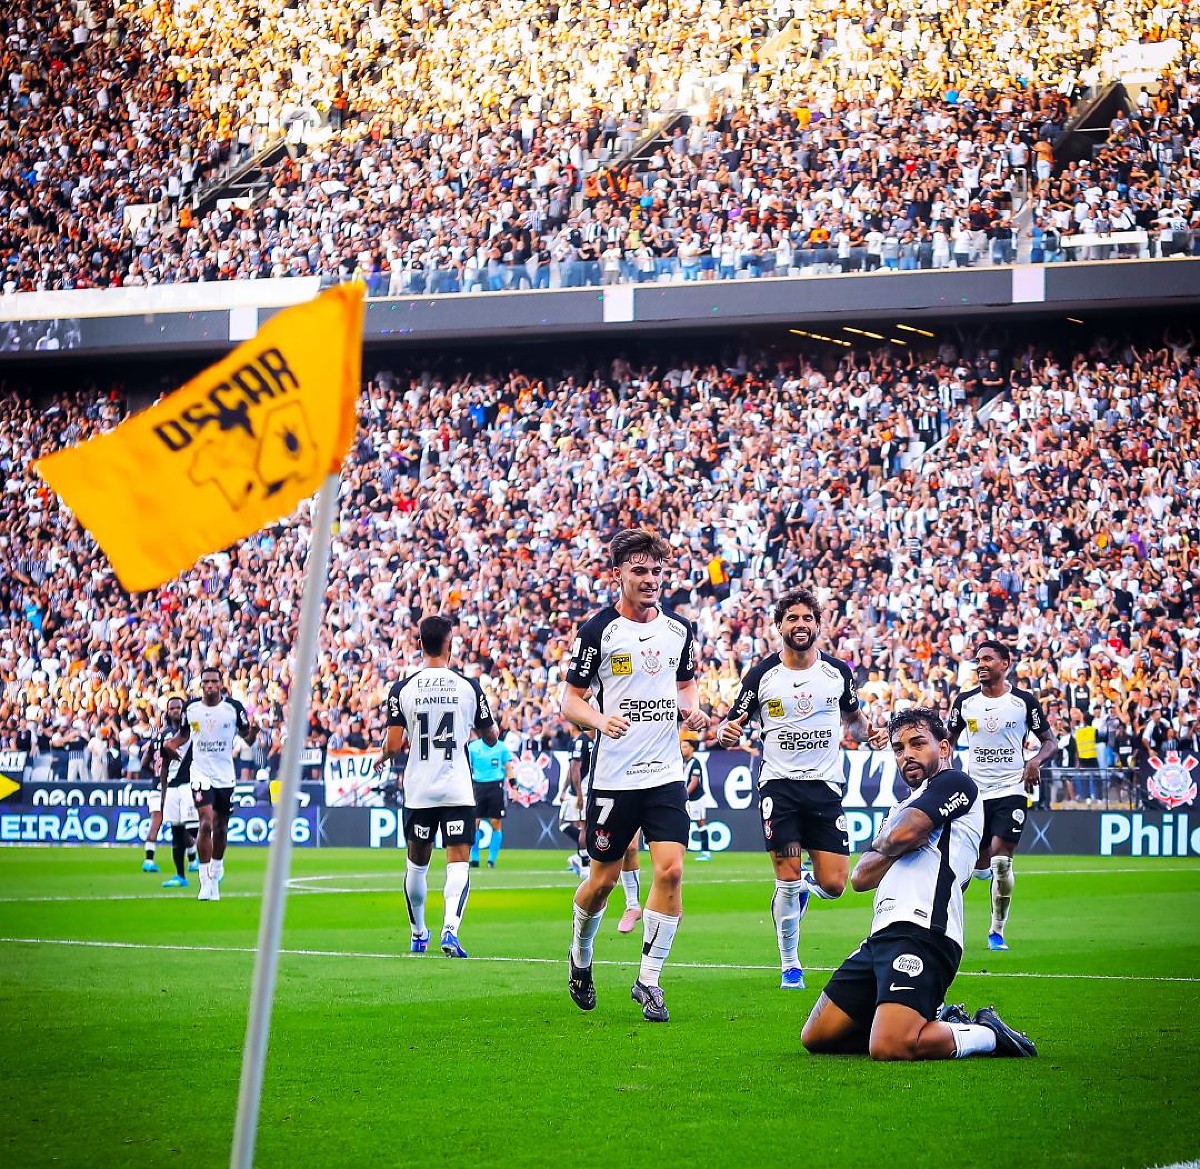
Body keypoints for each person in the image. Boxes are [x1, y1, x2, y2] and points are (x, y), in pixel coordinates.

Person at [801, 708, 1037, 1061]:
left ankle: (987, 1033)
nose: (907, 754)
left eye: (917, 743)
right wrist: (897, 839)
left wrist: (895, 839)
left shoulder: (956, 783)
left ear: (943, 748)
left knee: (889, 1046)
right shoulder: (903, 806)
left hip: (925, 931)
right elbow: (861, 877)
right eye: (898, 748)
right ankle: (930, 1023)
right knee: (817, 1036)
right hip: (881, 934)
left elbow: (900, 836)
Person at [562, 527, 708, 1023]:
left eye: (656, 571)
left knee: (671, 870)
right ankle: (580, 955)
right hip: (614, 778)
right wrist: (600, 720)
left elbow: (686, 685)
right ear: (618, 574)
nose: (650, 579)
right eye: (639, 571)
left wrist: (691, 708)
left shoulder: (679, 631)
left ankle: (649, 980)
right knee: (601, 881)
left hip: (664, 773)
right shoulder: (598, 632)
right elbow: (570, 700)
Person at [717, 587, 888, 989]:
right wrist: (726, 732)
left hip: (825, 789)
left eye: (807, 618)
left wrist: (869, 733)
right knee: (787, 876)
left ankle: (808, 888)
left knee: (835, 885)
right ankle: (790, 964)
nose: (800, 625)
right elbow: (732, 723)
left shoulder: (837, 672)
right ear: (779, 626)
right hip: (780, 789)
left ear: (818, 625)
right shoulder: (762, 675)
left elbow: (853, 720)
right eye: (792, 618)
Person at [376, 615, 499, 957]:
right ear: (450, 644)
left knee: (417, 863)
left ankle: (418, 933)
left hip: (420, 789)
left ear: (420, 644)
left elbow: (394, 744)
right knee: (458, 862)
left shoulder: (402, 689)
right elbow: (491, 737)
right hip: (456, 787)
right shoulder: (468, 687)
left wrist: (382, 756)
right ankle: (450, 929)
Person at [948, 640, 1057, 951]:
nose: (981, 664)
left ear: (1005, 664)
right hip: (974, 792)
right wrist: (947, 772)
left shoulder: (1023, 702)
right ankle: (945, 922)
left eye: (988, 659)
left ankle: (996, 931)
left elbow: (1050, 742)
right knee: (973, 867)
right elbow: (947, 742)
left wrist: (1034, 761)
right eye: (978, 660)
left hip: (1011, 788)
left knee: (1001, 859)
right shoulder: (965, 702)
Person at [167, 666, 258, 902]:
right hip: (200, 773)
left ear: (220, 684)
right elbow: (183, 735)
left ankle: (216, 872)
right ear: (201, 685)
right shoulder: (191, 708)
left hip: (225, 775)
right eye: (205, 681)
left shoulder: (233, 708)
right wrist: (170, 745)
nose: (209, 685)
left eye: (213, 681)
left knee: (221, 828)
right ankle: (205, 881)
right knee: (205, 822)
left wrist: (255, 733)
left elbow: (247, 738)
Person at [155, 696, 198, 889]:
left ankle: (214, 866)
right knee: (176, 832)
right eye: (172, 708)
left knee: (195, 829)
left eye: (178, 707)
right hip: (172, 787)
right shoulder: (165, 735)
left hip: (189, 784)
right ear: (167, 711)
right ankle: (180, 876)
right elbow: (164, 765)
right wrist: (163, 793)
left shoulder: (193, 730)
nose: (175, 710)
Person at [467, 727, 514, 868]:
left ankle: (491, 860)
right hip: (478, 786)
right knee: (475, 822)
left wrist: (514, 786)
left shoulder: (502, 747)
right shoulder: (473, 747)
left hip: (496, 786)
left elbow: (508, 767)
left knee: (495, 822)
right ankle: (474, 858)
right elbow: (467, 767)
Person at [563, 728, 593, 876]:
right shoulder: (583, 742)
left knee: (583, 828)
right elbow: (572, 770)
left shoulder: (583, 742)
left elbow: (574, 770)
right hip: (581, 791)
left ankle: (584, 861)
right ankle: (582, 858)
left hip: (584, 791)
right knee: (572, 825)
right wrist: (565, 790)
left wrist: (579, 794)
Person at [682, 733, 710, 860]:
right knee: (682, 823)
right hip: (687, 799)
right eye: (681, 747)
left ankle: (706, 852)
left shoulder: (695, 762)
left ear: (692, 748)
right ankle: (682, 849)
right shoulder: (683, 762)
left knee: (700, 822)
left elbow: (694, 782)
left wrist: (684, 794)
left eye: (685, 747)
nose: (682, 749)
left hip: (696, 798)